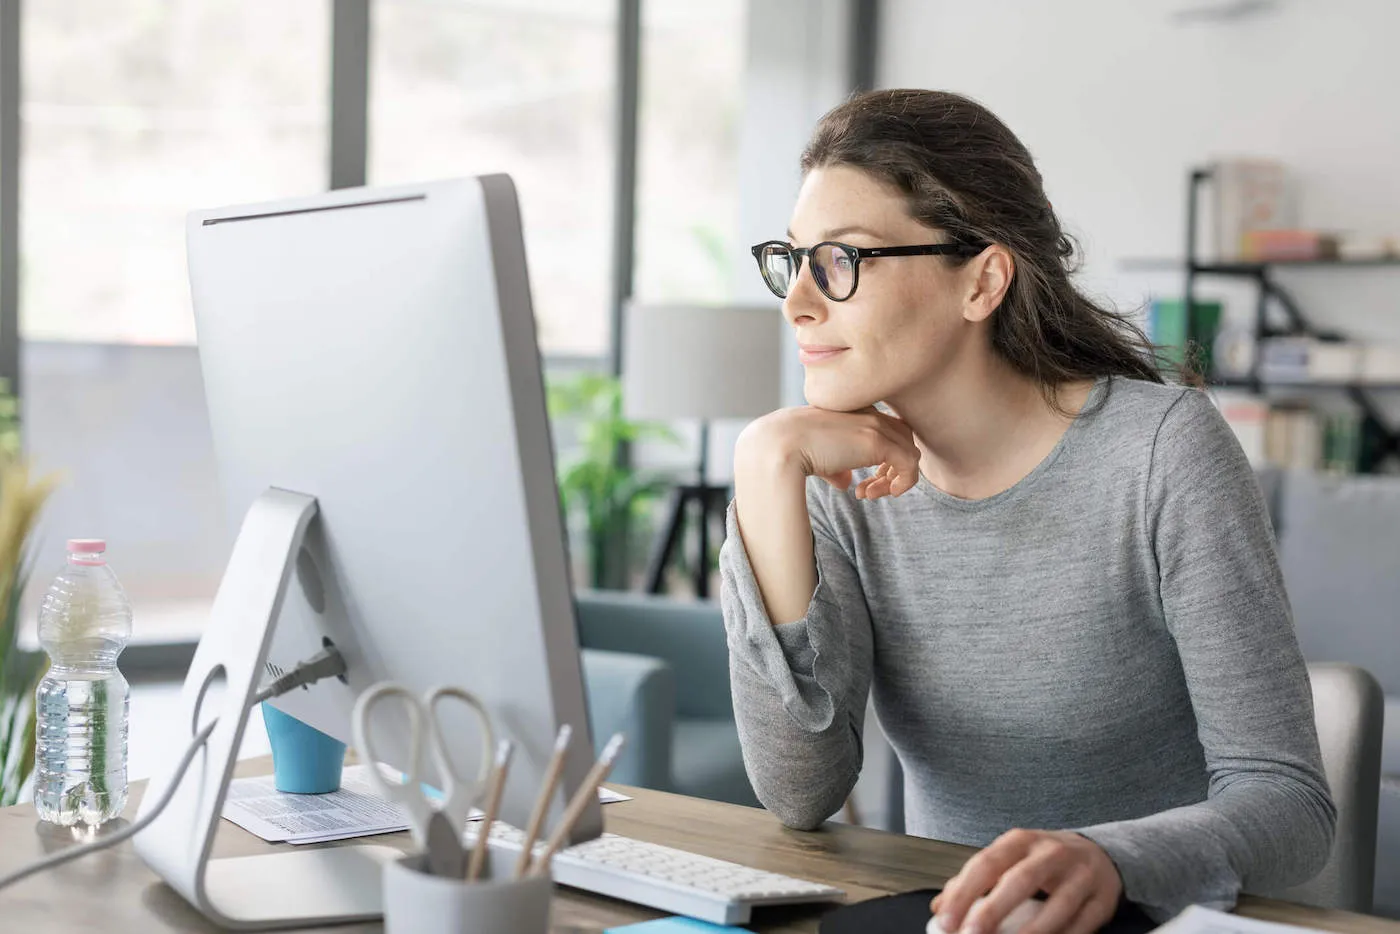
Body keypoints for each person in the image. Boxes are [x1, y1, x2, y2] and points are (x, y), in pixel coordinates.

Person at [720, 88, 1335, 934]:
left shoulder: (1162, 452)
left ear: (983, 280)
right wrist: (763, 468)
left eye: (843, 261)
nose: (798, 302)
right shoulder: (838, 483)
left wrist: (1109, 860)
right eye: (794, 260)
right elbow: (800, 792)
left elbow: (1290, 804)